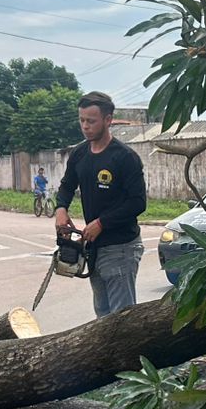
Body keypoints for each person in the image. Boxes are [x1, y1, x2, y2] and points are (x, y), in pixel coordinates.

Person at [55, 91, 147, 316]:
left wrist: (102, 223)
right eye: (82, 120)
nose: (85, 126)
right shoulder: (79, 154)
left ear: (108, 120)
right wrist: (60, 209)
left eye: (91, 121)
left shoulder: (125, 157)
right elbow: (67, 185)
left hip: (121, 247)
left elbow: (138, 202)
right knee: (103, 316)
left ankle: (128, 353)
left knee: (120, 320)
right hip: (94, 247)